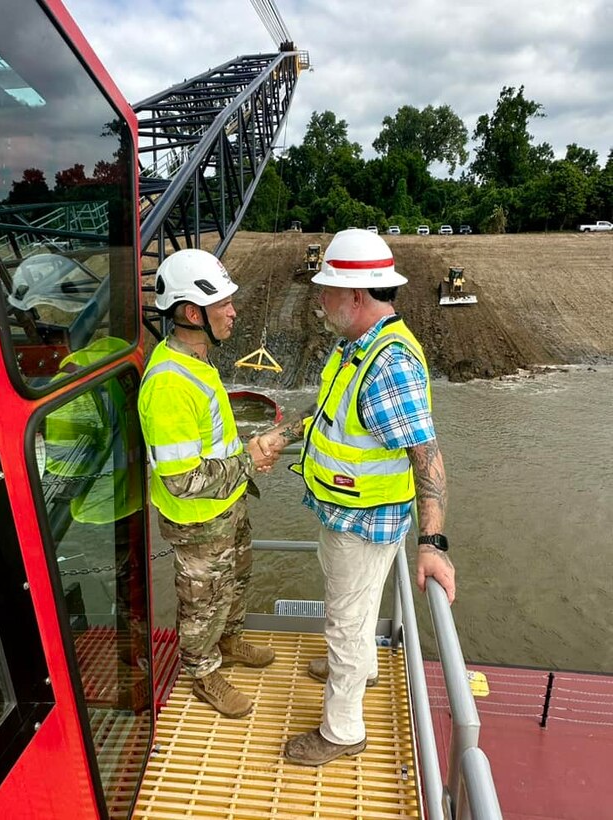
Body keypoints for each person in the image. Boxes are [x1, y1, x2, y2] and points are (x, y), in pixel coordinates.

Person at [257, 229, 456, 765]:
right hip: (347, 514)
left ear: (355, 297)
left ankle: (342, 731)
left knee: (344, 621)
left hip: (365, 522)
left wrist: (433, 543)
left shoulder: (389, 365)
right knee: (356, 606)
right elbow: (328, 416)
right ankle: (363, 665)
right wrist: (283, 435)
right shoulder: (357, 348)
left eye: (325, 291)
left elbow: (428, 456)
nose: (318, 301)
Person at [138, 248, 276, 719]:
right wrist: (248, 461)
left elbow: (210, 440)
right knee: (201, 602)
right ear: (193, 313)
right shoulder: (169, 386)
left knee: (234, 582)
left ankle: (231, 641)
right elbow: (180, 480)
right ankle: (201, 672)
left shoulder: (195, 362)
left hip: (226, 506)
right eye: (225, 304)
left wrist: (246, 451)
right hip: (198, 521)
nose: (234, 312)